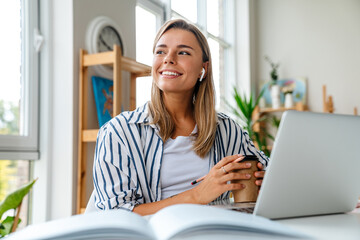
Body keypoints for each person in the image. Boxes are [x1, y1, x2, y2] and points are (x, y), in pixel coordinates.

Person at [92, 19, 269, 216]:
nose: (168, 58)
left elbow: (268, 172)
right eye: (161, 51)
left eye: (183, 52)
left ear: (203, 69)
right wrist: (196, 195)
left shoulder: (226, 129)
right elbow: (117, 215)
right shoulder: (118, 133)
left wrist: (264, 178)